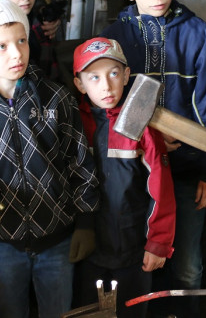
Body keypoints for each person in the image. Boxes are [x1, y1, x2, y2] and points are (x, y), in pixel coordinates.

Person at [0, 0, 99, 318]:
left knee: (58, 311)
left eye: (22, 40)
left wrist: (85, 222)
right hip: (1, 245)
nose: (17, 53)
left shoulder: (56, 99)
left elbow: (80, 164)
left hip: (57, 240)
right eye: (1, 46)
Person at [101, 0, 206, 318]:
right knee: (136, 262)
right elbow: (104, 104)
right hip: (131, 173)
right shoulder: (113, 39)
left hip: (188, 172)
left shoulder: (198, 34)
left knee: (187, 266)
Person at [71, 37, 175, 318]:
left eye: (114, 74)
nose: (106, 86)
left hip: (133, 250)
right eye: (94, 77)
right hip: (88, 250)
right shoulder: (73, 124)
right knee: (88, 312)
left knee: (132, 312)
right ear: (79, 84)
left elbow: (161, 190)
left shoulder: (140, 125)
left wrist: (158, 244)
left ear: (127, 75)